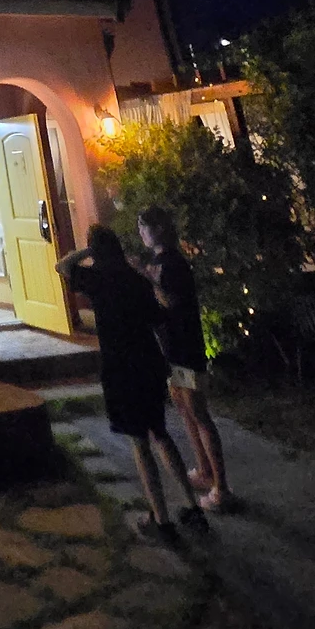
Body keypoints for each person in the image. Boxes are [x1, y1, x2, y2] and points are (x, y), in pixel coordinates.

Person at [57, 225, 207, 542]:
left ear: (96, 251)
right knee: (161, 434)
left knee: (139, 443)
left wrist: (89, 252)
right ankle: (192, 507)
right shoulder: (135, 280)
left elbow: (63, 265)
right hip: (149, 364)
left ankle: (161, 520)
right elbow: (160, 317)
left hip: (121, 368)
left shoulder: (97, 279)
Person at [138, 204, 234, 511]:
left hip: (185, 349)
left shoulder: (174, 264)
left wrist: (149, 280)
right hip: (169, 348)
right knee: (183, 409)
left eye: (144, 226)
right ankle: (204, 471)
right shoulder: (156, 261)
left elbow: (171, 303)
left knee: (198, 412)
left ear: (160, 229)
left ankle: (222, 488)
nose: (141, 232)